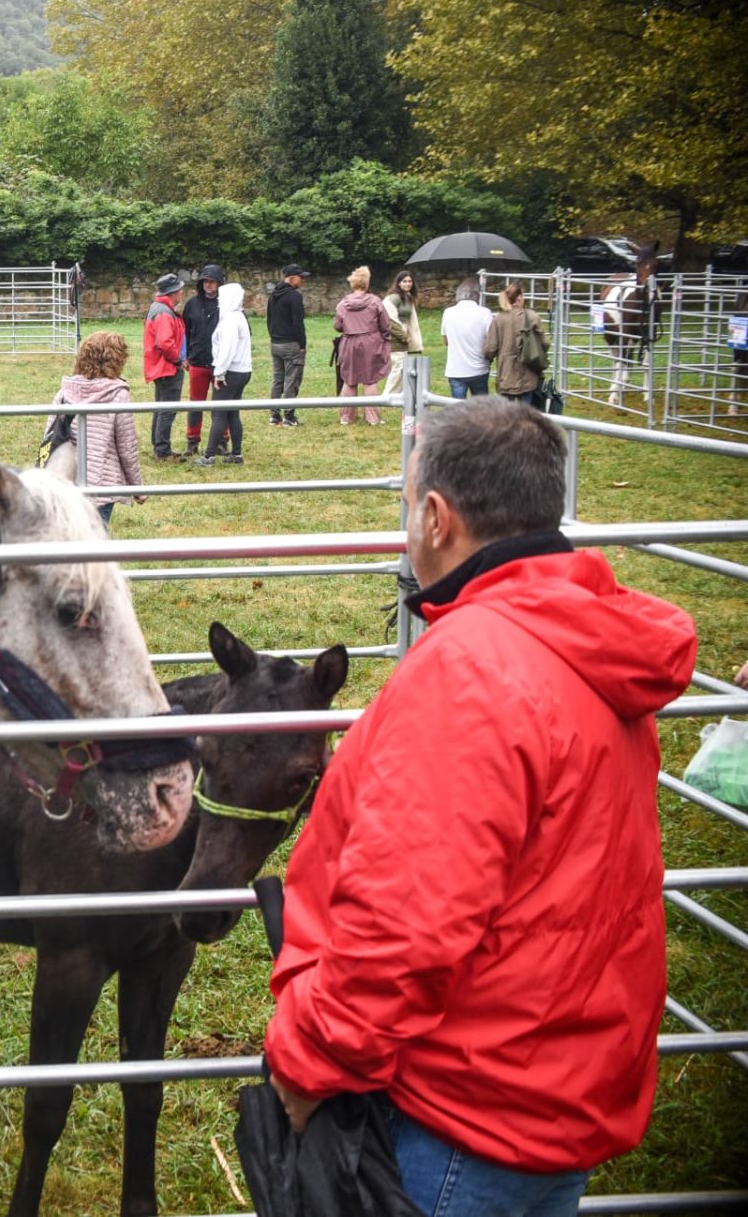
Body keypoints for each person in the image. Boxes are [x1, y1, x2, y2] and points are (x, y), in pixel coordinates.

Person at [264, 398, 696, 1217]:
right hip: (546, 1086)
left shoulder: (471, 672)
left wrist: (306, 1058)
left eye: (405, 507)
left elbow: (405, 926)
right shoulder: (581, 642)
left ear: (436, 517)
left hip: (453, 1123)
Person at [47, 331, 144, 529]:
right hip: (101, 483)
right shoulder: (117, 395)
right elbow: (127, 448)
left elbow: (49, 436)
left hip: (66, 480)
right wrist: (138, 487)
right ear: (117, 359)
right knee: (96, 540)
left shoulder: (65, 391)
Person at [332, 266, 392, 426]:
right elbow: (385, 324)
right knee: (370, 380)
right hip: (371, 342)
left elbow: (337, 325)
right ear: (367, 283)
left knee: (349, 380)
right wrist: (385, 339)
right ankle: (372, 417)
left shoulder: (343, 303)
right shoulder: (375, 301)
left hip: (349, 343)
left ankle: (347, 417)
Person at [201, 282, 252, 465]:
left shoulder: (231, 320)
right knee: (232, 413)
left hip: (231, 371)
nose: (219, 302)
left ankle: (209, 456)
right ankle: (236, 454)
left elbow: (227, 350)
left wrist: (219, 374)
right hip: (242, 370)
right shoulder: (239, 317)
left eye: (222, 298)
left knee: (218, 413)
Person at [180, 263, 224, 457]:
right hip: (197, 361)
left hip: (220, 363)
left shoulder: (226, 305)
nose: (208, 285)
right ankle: (192, 441)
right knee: (196, 403)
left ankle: (222, 441)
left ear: (219, 283)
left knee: (221, 404)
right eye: (205, 281)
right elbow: (184, 332)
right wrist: (185, 356)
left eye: (212, 281)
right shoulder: (192, 304)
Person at [482, 281, 550, 407]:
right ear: (519, 298)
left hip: (506, 375)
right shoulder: (532, 316)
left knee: (507, 417)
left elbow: (490, 349)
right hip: (529, 374)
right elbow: (545, 343)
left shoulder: (499, 319)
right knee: (527, 417)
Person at [143, 273, 188, 460]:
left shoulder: (159, 308)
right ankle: (162, 451)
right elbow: (165, 343)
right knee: (167, 410)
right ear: (174, 293)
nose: (182, 293)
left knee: (161, 408)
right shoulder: (164, 312)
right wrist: (178, 360)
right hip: (167, 368)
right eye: (180, 290)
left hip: (159, 367)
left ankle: (158, 445)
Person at [265, 264, 309, 427]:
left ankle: (274, 415)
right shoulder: (294, 296)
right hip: (291, 344)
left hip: (275, 343)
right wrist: (302, 343)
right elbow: (298, 322)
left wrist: (274, 337)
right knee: (292, 379)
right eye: (301, 277)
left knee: (278, 379)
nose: (303, 280)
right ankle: (289, 416)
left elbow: (269, 319)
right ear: (292, 278)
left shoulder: (273, 295)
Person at [440, 278, 493, 398]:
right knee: (481, 410)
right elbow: (491, 341)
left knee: (458, 411)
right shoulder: (485, 313)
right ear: (477, 295)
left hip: (456, 369)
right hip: (479, 368)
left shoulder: (448, 313)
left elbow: (446, 340)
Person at [380, 268, 426, 397]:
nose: (408, 284)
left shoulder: (408, 297)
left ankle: (399, 394)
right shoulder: (393, 298)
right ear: (398, 283)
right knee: (398, 367)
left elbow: (410, 321)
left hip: (403, 337)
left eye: (410, 281)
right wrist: (403, 336)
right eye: (404, 281)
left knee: (402, 367)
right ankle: (387, 396)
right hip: (395, 337)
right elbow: (389, 320)